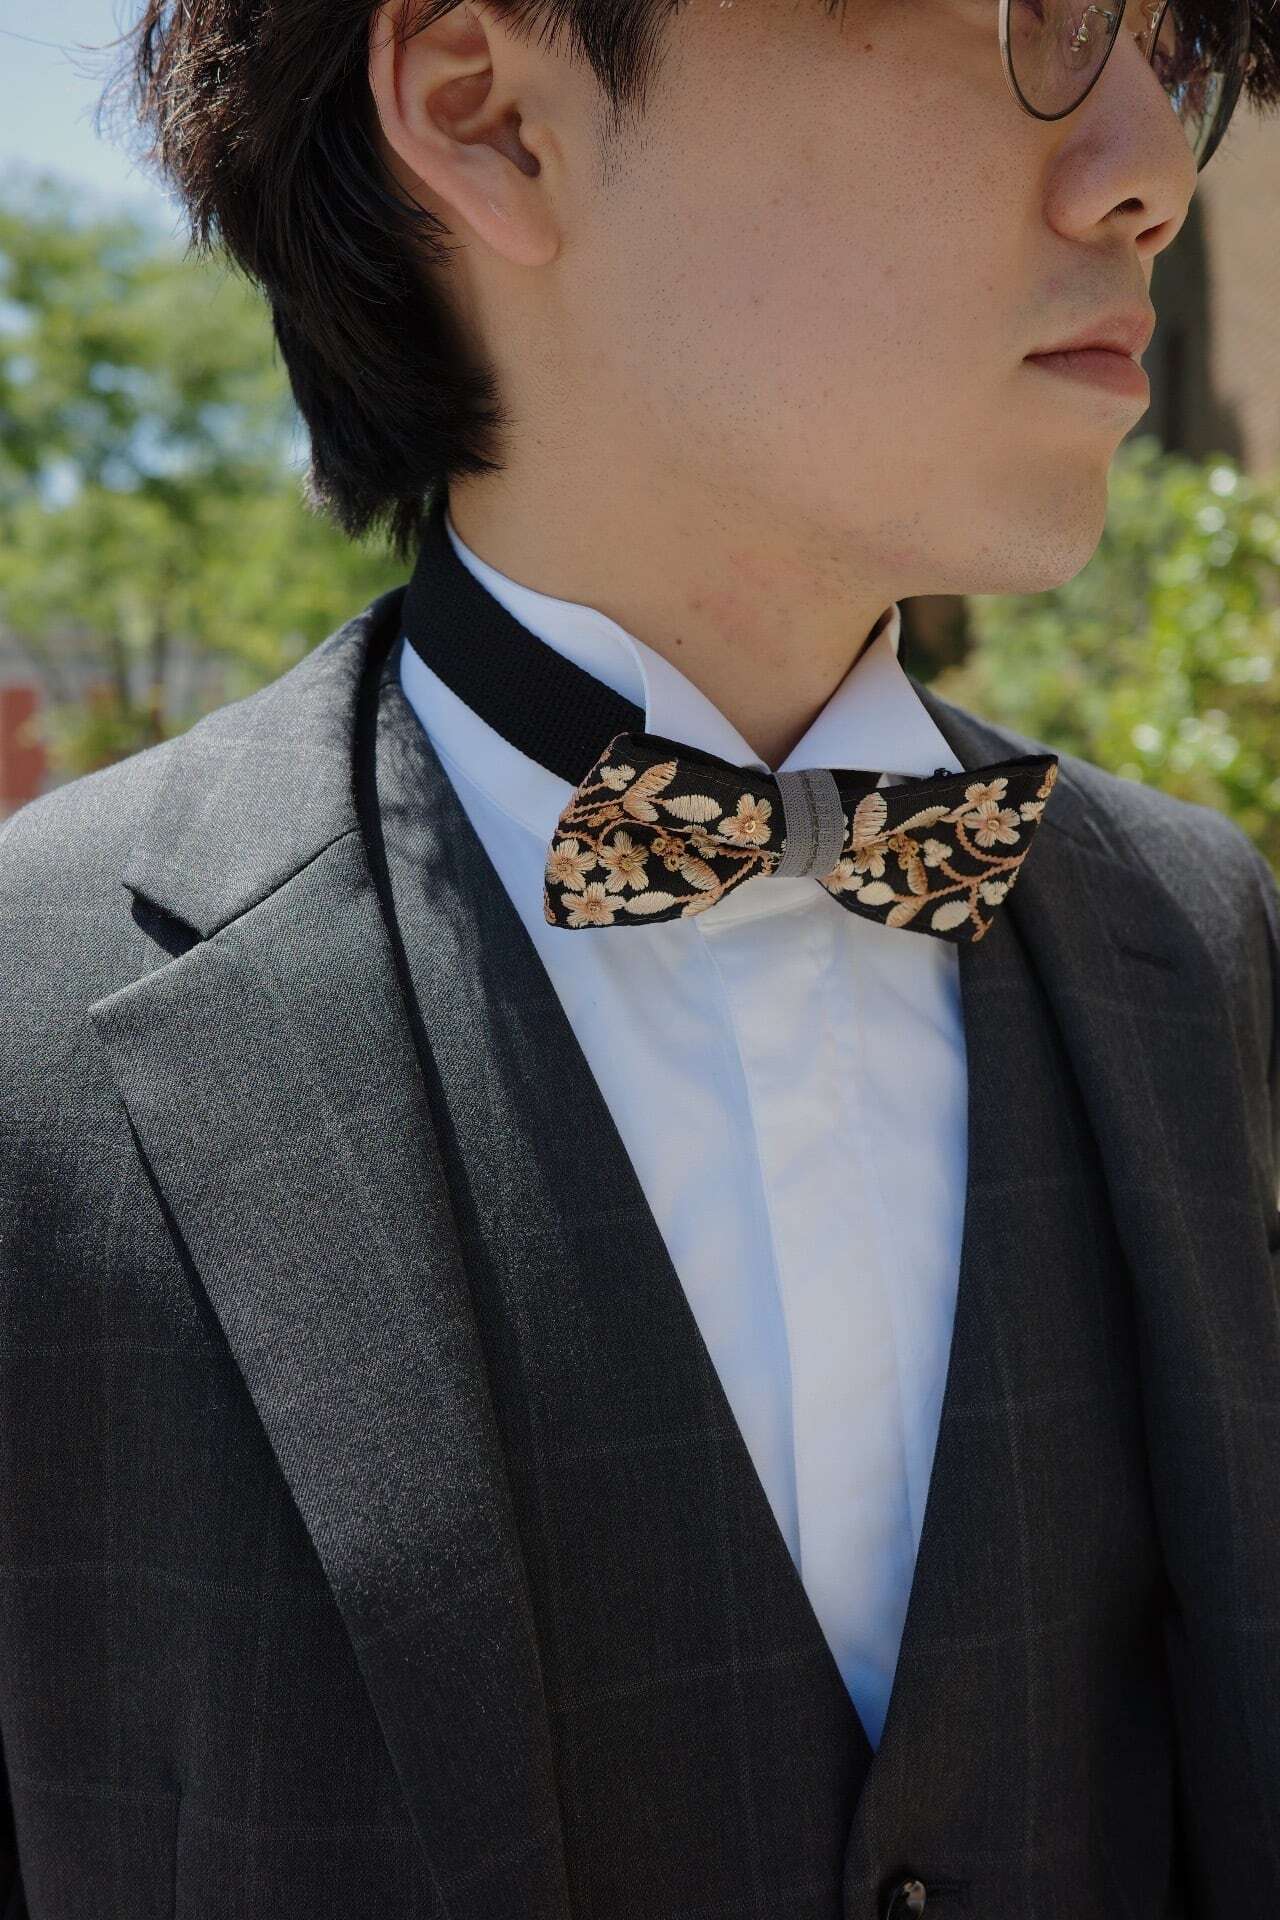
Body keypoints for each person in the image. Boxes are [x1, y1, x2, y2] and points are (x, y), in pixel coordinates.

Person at [2, 0, 1279, 1913]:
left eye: (1167, 53)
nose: (1153, 169)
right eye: (1033, 20)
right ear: (490, 111)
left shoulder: (1197, 940)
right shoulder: (33, 1038)